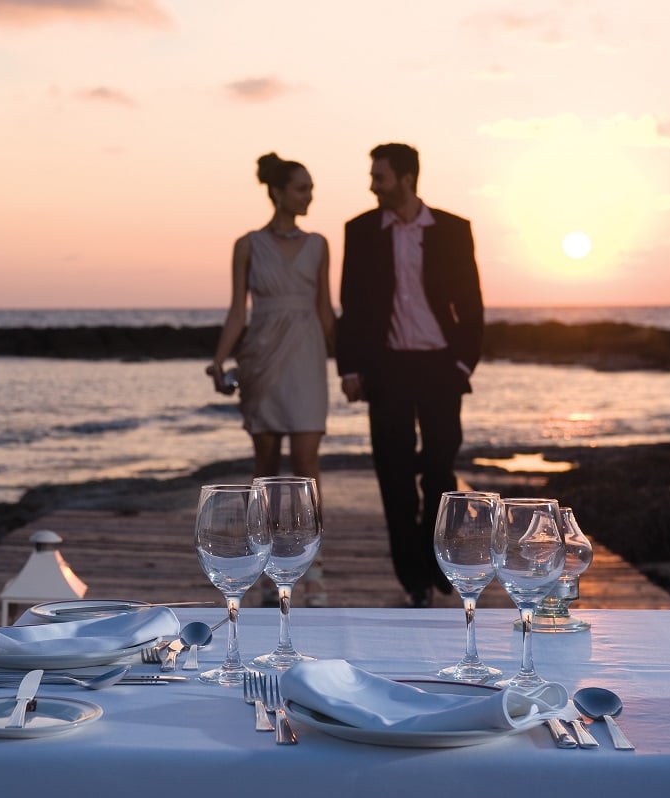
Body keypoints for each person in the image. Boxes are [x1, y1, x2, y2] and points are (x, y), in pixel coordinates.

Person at [335, 142, 485, 608]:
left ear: (405, 178)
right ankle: (413, 577)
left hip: (441, 365)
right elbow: (352, 305)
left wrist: (463, 362)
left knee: (440, 467)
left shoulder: (453, 229)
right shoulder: (360, 231)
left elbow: (472, 301)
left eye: (379, 177)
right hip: (387, 368)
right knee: (394, 476)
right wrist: (352, 368)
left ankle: (437, 559)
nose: (372, 185)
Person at [208, 152, 335, 606]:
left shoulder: (320, 243)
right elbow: (236, 311)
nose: (310, 195)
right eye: (302, 188)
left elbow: (324, 308)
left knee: (307, 465)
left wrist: (348, 365)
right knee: (264, 469)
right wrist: (220, 360)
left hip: (306, 355)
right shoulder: (247, 244)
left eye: (311, 188)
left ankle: (312, 570)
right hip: (260, 354)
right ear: (278, 192)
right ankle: (262, 569)